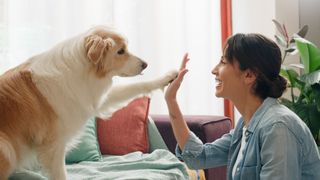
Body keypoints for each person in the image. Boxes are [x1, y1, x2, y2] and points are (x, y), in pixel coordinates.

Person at [164, 33, 320, 180]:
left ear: (249, 75)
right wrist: (171, 100)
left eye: (223, 62)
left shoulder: (277, 127)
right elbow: (198, 157)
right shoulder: (246, 126)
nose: (214, 70)